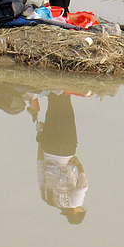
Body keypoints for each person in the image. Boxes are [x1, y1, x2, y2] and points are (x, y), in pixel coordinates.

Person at [36, 92, 87, 224]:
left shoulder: (74, 203)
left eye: (81, 209)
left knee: (66, 114)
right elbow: (40, 168)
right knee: (52, 111)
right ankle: (54, 90)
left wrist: (79, 166)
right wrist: (41, 142)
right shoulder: (47, 198)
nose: (80, 207)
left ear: (76, 212)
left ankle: (64, 90)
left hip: (66, 151)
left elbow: (83, 187)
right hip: (48, 147)